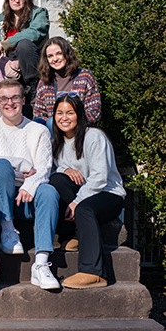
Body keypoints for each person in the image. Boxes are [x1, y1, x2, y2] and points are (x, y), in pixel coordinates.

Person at [0, 79, 61, 290]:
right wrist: (19, 163)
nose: (9, 103)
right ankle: (8, 231)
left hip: (25, 198)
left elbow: (44, 168)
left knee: (48, 191)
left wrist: (29, 185)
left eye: (14, 98)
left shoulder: (39, 131)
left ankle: (41, 263)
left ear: (23, 100)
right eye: (3, 98)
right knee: (1, 165)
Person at [49, 95, 125, 289]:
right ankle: (76, 236)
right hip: (84, 191)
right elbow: (53, 168)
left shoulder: (94, 136)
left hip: (108, 193)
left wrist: (77, 201)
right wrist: (64, 170)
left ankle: (94, 273)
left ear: (79, 115)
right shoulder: (57, 141)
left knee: (84, 209)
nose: (64, 118)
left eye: (70, 113)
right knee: (56, 180)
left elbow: (100, 178)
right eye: (59, 113)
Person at [0, 0, 49, 100]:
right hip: (7, 64)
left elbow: (35, 32)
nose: (17, 0)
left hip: (31, 60)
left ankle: (33, 87)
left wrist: (4, 44)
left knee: (24, 45)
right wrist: (4, 63)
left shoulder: (39, 14)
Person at [34, 36, 101, 126]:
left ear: (67, 54)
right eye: (50, 56)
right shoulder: (44, 82)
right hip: (53, 130)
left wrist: (70, 121)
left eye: (59, 54)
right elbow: (38, 114)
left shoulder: (85, 77)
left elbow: (95, 112)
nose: (55, 59)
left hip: (79, 129)